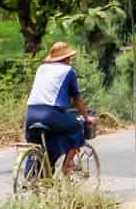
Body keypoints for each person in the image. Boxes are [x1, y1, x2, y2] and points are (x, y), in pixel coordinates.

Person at [25, 41, 93, 175]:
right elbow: (77, 98)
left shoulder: (41, 69)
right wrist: (86, 118)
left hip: (31, 113)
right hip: (50, 114)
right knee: (76, 127)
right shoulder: (68, 71)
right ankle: (67, 166)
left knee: (37, 144)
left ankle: (32, 177)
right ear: (66, 58)